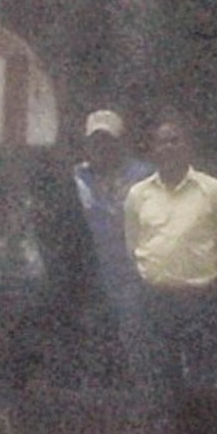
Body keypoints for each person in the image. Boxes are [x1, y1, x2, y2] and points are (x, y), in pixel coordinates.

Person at [125, 114, 217, 434]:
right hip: (155, 301)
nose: (169, 147)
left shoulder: (214, 192)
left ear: (189, 146)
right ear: (151, 149)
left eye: (175, 139)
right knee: (158, 387)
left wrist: (213, 284)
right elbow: (134, 245)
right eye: (161, 141)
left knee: (207, 386)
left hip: (199, 300)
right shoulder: (138, 195)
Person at [70, 109, 146, 345]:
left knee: (134, 345)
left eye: (108, 141)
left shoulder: (144, 177)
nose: (101, 147)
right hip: (90, 281)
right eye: (95, 141)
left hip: (134, 281)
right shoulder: (76, 178)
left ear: (121, 142)